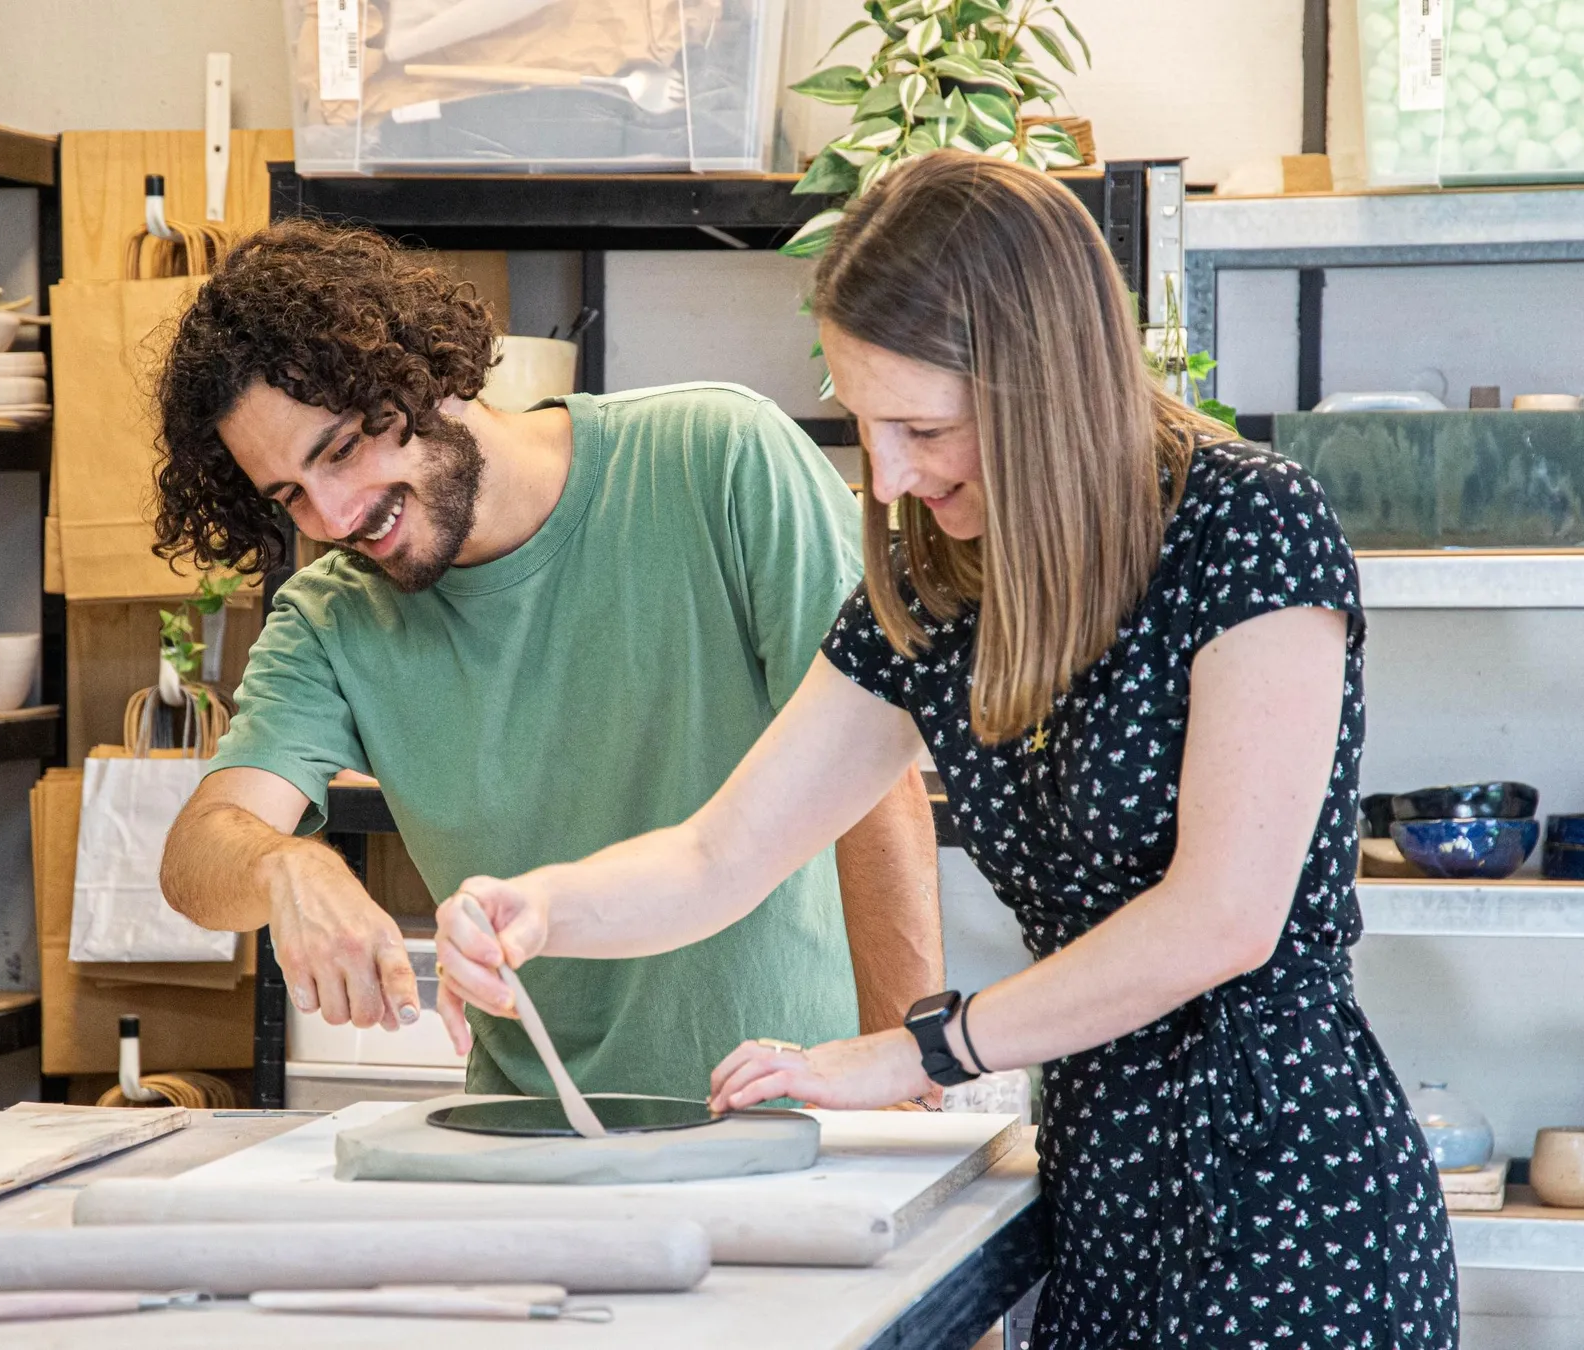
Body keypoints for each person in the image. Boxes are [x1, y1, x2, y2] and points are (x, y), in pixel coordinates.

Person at [433, 154, 1458, 1348]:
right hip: (1096, 1204)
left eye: (925, 426)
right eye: (868, 426)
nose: (896, 474)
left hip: (1294, 1211)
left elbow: (1223, 918)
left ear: (1046, 387)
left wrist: (921, 1049)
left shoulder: (1247, 526)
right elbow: (722, 852)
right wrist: (539, 909)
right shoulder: (937, 579)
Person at [151, 220, 941, 1101]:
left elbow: (875, 791)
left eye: (340, 449)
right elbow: (196, 858)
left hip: (799, 1121)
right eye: (291, 494)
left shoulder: (720, 461)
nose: (335, 516)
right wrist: (284, 864)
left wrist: (910, 1084)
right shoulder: (332, 618)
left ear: (423, 374)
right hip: (535, 1145)